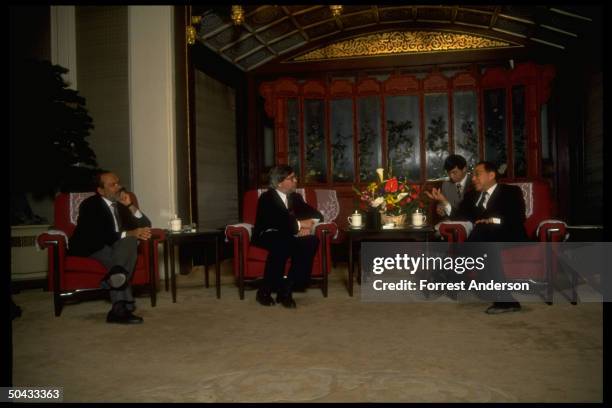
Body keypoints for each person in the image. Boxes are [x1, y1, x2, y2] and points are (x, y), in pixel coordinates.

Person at [69, 171, 152, 324]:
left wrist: (130, 205)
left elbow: (146, 225)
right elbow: (100, 235)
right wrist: (131, 232)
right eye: (113, 185)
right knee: (122, 253)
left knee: (130, 243)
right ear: (101, 190)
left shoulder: (122, 204)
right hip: (93, 246)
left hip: (117, 244)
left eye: (118, 183)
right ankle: (124, 306)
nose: (119, 187)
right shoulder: (90, 205)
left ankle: (116, 302)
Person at [450, 161, 527, 314]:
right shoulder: (471, 196)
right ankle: (506, 301)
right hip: (486, 240)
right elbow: (459, 217)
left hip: (509, 236)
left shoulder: (511, 192)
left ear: (491, 175)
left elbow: (518, 217)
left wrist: (492, 221)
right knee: (487, 241)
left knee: (484, 230)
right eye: (473, 175)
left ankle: (452, 268)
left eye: (477, 174)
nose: (473, 178)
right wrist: (445, 204)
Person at [252, 165, 323, 308]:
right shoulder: (267, 198)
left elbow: (317, 215)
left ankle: (286, 288)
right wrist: (299, 227)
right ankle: (264, 291)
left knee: (311, 240)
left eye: (295, 177)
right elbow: (281, 222)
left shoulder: (295, 198)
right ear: (279, 182)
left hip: (289, 234)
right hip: (268, 234)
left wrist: (308, 225)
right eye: (291, 178)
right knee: (282, 242)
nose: (296, 180)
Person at [425, 154, 472, 218]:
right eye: (449, 173)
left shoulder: (474, 182)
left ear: (464, 169)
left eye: (454, 172)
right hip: (452, 222)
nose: (451, 176)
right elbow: (444, 205)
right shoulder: (446, 185)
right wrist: (441, 209)